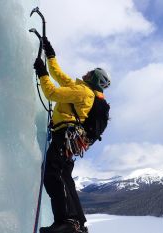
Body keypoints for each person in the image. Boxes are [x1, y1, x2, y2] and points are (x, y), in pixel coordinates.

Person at [33, 37, 111, 233]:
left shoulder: (83, 93)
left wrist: (41, 72)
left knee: (54, 174)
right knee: (64, 176)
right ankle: (77, 222)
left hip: (64, 136)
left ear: (93, 78)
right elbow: (58, 75)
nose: (86, 72)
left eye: (90, 73)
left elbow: (51, 93)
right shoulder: (83, 90)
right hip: (69, 139)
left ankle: (66, 221)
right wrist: (50, 54)